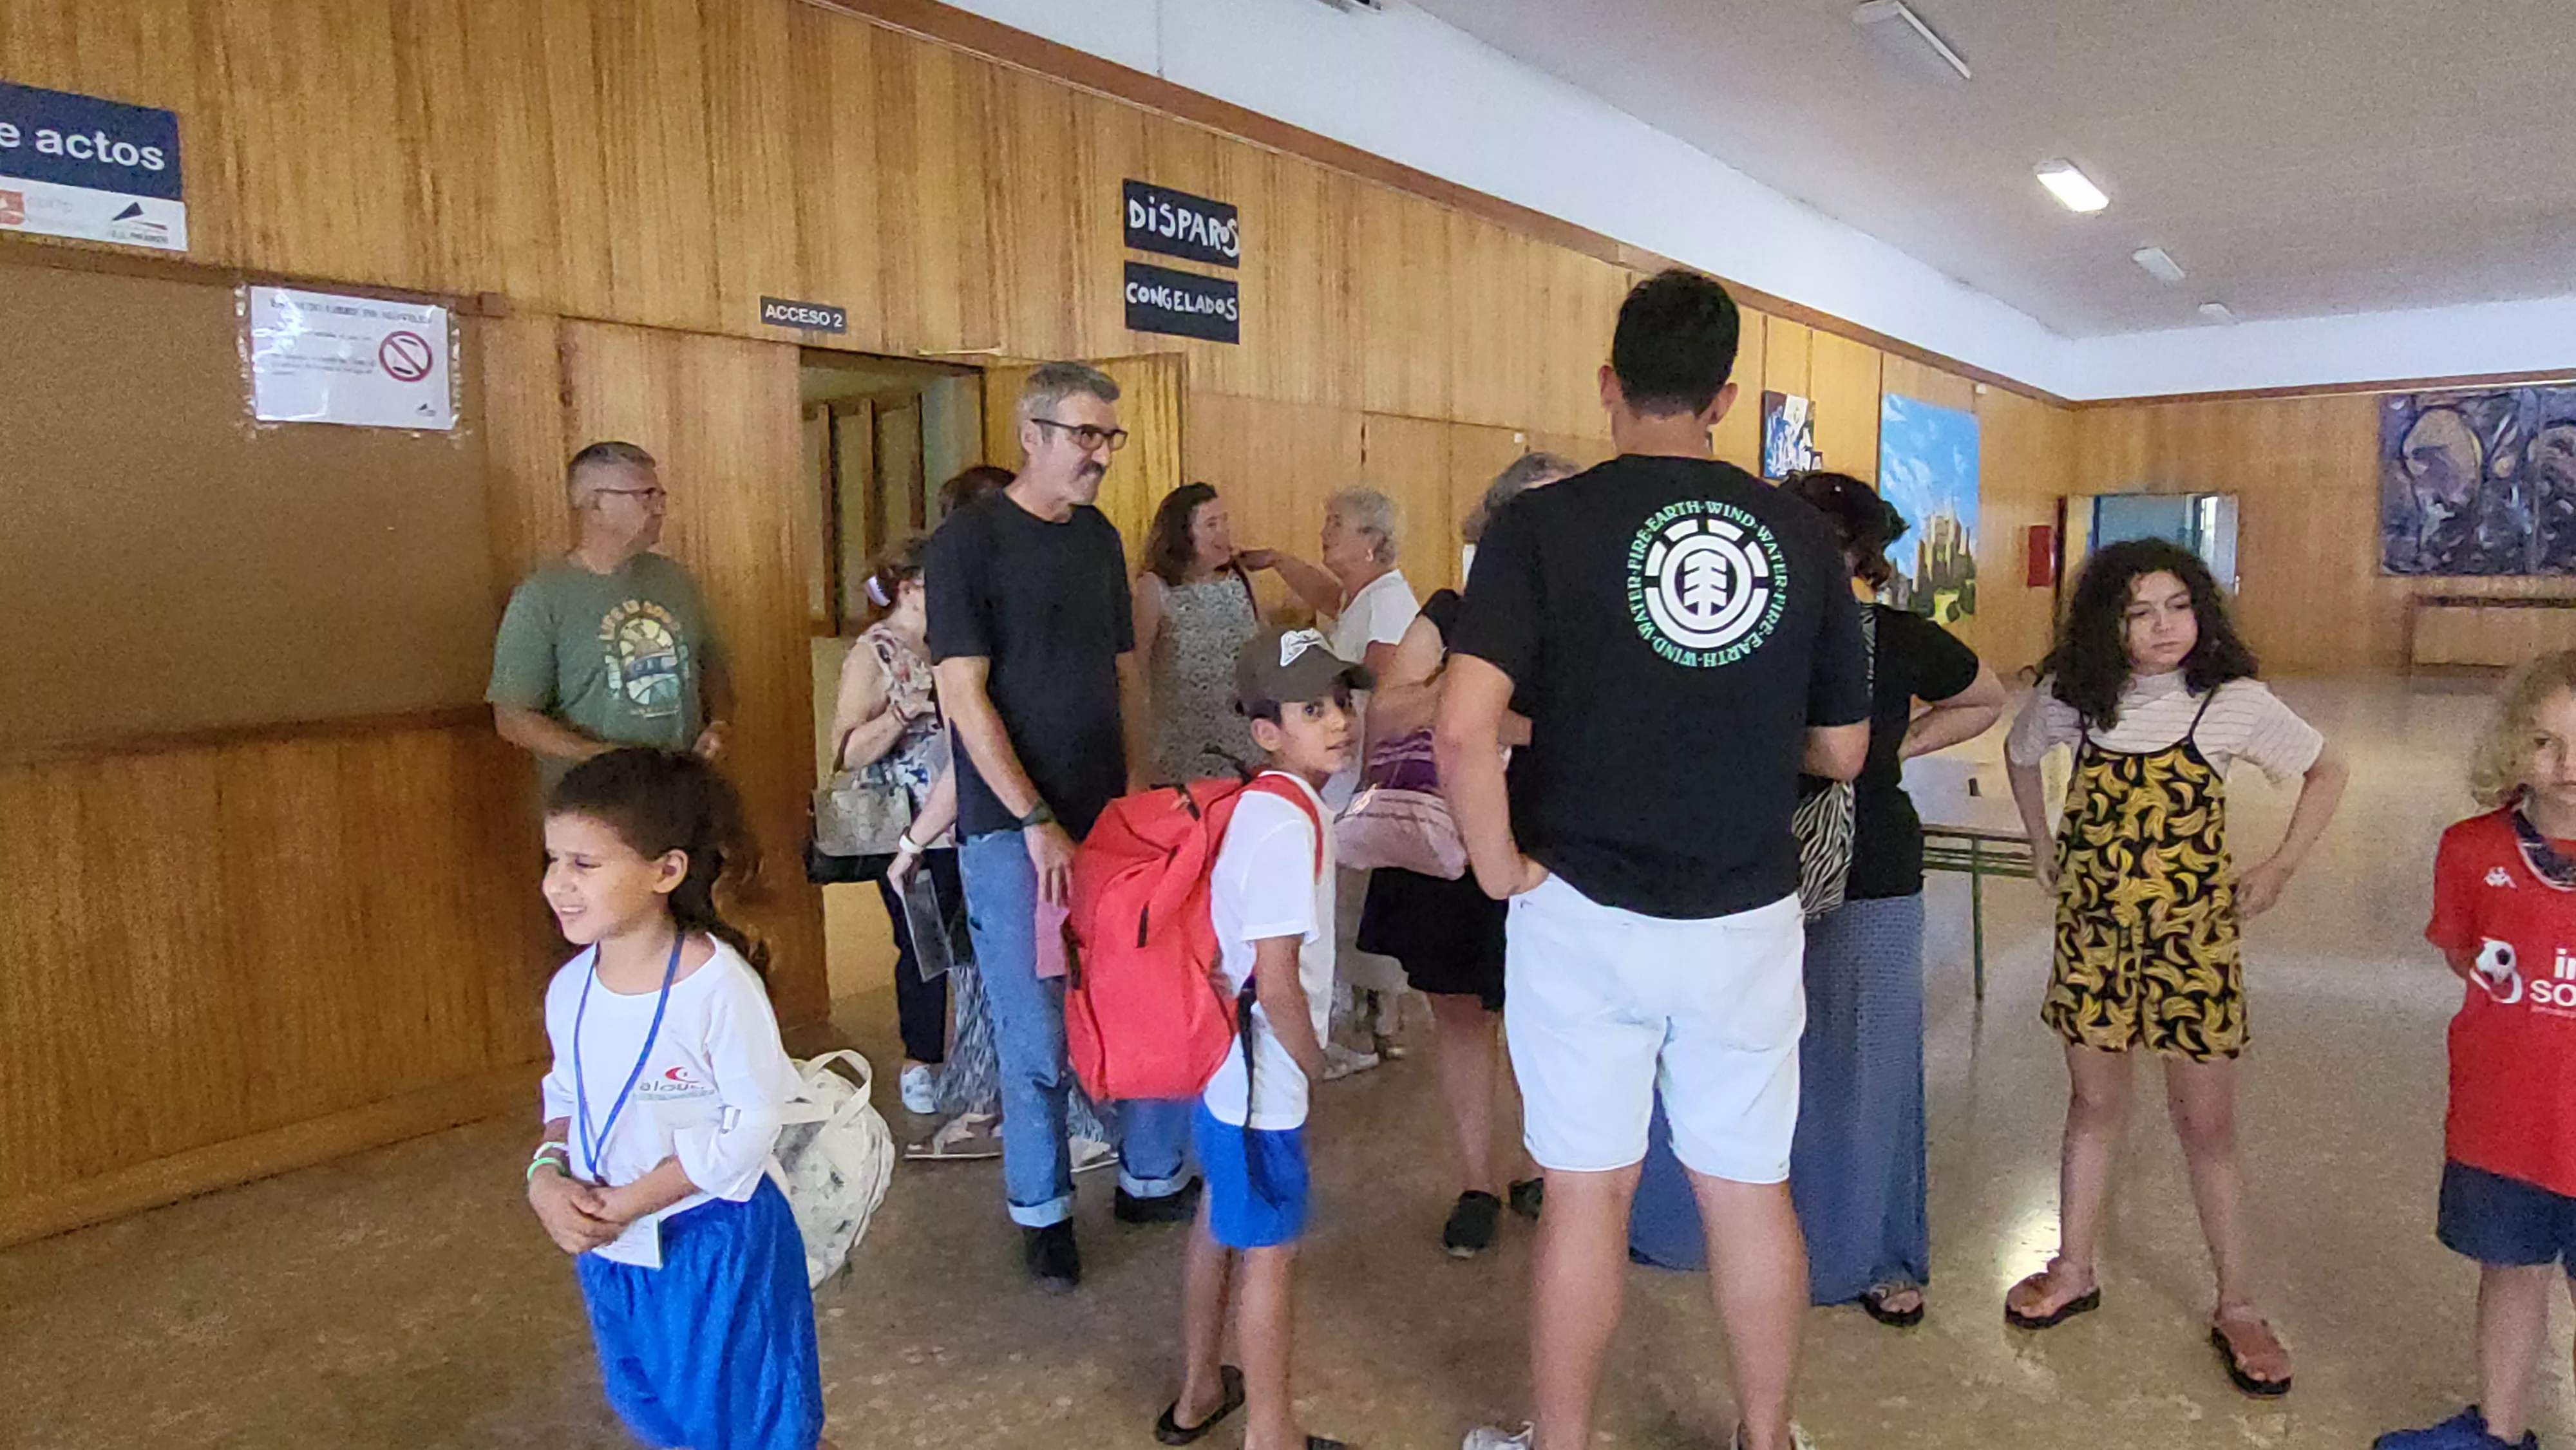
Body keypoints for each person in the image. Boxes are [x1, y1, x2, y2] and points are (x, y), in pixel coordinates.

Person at [1441, 269, 1871, 1450]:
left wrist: (1495, 868)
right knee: (1746, 1189)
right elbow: (1841, 748)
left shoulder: (1541, 525)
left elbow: (1463, 723)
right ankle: (1767, 1435)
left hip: (1581, 902)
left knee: (1588, 1190)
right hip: (1743, 911)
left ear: (1608, 383)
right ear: (1725, 397)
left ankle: (1562, 1444)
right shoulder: (1797, 534)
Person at [2002, 538, 2349, 1396]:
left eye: (2178, 606)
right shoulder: (2074, 702)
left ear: (2202, 611)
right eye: (2138, 612)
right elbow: (2018, 754)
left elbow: (2327, 768)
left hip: (2192, 947)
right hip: (2092, 941)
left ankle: (2238, 1302)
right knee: (2093, 1105)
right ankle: (2074, 1264)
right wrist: (2043, 848)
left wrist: (2277, 868)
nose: (2163, 628)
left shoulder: (2230, 703)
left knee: (2207, 1126)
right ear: (2104, 625)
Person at [927, 361, 1198, 1292]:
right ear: (1031, 435)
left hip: (1108, 823)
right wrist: (1035, 818)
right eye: (1086, 437)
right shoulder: (967, 544)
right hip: (1013, 836)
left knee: (1144, 997)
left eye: (1109, 439)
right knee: (1036, 1031)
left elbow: (1125, 674)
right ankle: (1043, 1213)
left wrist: (1133, 792)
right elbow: (961, 693)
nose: (1100, 457)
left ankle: (1150, 1177)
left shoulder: (1096, 538)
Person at [523, 748, 836, 1450]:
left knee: (747, 1421)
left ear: (667, 870)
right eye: (553, 858)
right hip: (615, 1242)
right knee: (655, 1403)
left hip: (715, 1238)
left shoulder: (717, 986)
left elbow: (751, 1123)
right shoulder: (571, 986)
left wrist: (638, 1197)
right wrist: (545, 1174)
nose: (558, 884)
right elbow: (565, 1090)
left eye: (585, 863)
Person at [1777, 470, 2003, 1326]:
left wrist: (1896, 744)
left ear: (1855, 555)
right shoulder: (1747, 634)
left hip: (1869, 864)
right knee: (1766, 1062)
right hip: (1751, 872)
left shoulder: (1894, 636)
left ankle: (1875, 1252)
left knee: (1872, 1063)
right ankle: (1773, 1235)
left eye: (1828, 546)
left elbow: (1984, 696)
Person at [1359, 452, 1576, 1256]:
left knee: (1546, 1007)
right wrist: (1487, 711)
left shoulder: (1589, 615)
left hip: (1550, 833)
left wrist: (1492, 720)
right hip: (1450, 833)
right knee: (1459, 1009)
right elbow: (1386, 713)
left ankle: (1541, 1160)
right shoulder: (1454, 608)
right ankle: (1478, 1176)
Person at [1159, 625, 1366, 1450]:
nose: (1339, 721)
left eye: (1343, 701)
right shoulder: (1287, 824)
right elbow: (1278, 980)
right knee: (1271, 1248)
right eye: (1313, 708)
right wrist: (1317, 1069)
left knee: (1222, 1213)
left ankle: (1200, 1388)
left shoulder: (1270, 805)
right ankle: (1272, 1433)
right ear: (1267, 732)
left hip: (1229, 1070)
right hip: (1261, 1078)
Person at [2378, 652, 2576, 1450]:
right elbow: (2467, 954)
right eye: (2545, 742)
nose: (2568, 766)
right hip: (2505, 1121)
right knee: (2510, 1269)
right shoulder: (2470, 849)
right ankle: (2497, 1430)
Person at [1271, 487, 1421, 1071]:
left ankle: (1351, 1025)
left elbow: (1378, 691)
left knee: (1341, 905)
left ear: (1373, 542)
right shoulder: (1363, 598)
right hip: (1339, 776)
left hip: (1355, 778)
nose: (1326, 531)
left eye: (1338, 524)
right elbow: (1329, 596)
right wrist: (1279, 562)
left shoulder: (1386, 604)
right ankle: (1348, 1022)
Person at [489, 441, 730, 780]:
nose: (659, 509)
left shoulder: (676, 580)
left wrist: (719, 725)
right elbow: (512, 718)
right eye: (645, 496)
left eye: (660, 496)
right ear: (595, 505)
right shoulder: (542, 597)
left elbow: (712, 666)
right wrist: (600, 757)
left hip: (683, 789)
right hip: (593, 802)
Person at [824, 536, 959, 1115]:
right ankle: (920, 1059)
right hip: (899, 821)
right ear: (910, 589)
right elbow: (847, 751)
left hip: (961, 814)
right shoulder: (874, 653)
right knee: (920, 941)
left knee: (964, 940)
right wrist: (903, 711)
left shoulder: (952, 646)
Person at [1133, 482, 1264, 785]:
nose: (1223, 533)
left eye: (1224, 522)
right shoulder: (1154, 588)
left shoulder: (1239, 581)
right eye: (1211, 524)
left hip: (1244, 745)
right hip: (1182, 750)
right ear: (1183, 534)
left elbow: (1263, 651)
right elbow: (1136, 669)